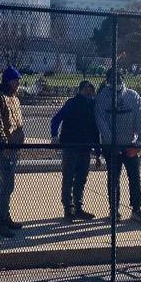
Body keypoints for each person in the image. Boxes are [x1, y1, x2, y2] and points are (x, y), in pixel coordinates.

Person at [94, 68, 141, 223]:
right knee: (113, 178)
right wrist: (112, 143)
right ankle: (114, 210)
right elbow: (101, 121)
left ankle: (136, 209)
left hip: (130, 145)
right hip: (111, 147)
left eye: (118, 77)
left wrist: (138, 143)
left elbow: (140, 120)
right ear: (107, 80)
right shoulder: (102, 97)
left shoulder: (133, 96)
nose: (116, 80)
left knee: (135, 178)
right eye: (112, 78)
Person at [50, 80, 100, 222]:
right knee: (69, 178)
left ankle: (77, 207)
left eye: (91, 89)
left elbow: (94, 130)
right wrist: (54, 135)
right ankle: (68, 208)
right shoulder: (72, 103)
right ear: (81, 89)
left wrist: (97, 152)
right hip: (71, 147)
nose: (89, 91)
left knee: (80, 179)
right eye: (87, 88)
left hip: (84, 148)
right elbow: (56, 119)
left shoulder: (92, 105)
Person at [0, 65, 26, 238]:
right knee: (7, 183)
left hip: (14, 147)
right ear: (7, 81)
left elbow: (17, 123)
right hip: (4, 148)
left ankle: (4, 215)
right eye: (14, 80)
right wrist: (3, 145)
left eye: (18, 80)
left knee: (4, 184)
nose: (17, 84)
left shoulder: (15, 98)